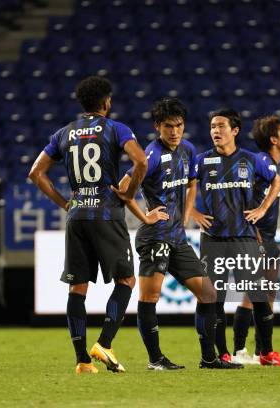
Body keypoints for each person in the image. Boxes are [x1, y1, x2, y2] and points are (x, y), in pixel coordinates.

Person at [28, 76, 147, 374]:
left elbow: (36, 173)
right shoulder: (116, 129)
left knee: (77, 289)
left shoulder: (64, 133)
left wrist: (65, 203)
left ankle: (82, 361)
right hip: (106, 213)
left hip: (77, 214)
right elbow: (141, 162)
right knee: (126, 281)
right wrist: (129, 193)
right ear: (106, 102)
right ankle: (104, 343)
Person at [118, 97, 240, 370]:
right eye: (168, 126)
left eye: (179, 125)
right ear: (157, 127)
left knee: (208, 293)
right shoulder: (149, 155)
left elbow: (192, 183)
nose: (174, 132)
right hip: (154, 237)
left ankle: (208, 358)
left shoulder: (187, 149)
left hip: (177, 239)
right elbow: (123, 189)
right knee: (150, 297)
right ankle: (155, 359)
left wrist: (186, 216)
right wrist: (145, 216)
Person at [191, 109, 280, 366]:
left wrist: (263, 209)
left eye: (221, 126)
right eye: (213, 126)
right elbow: (183, 188)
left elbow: (277, 181)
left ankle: (266, 352)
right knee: (215, 298)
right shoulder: (201, 161)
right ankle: (223, 353)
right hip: (213, 239)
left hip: (245, 238)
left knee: (258, 295)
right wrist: (193, 212)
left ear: (234, 130)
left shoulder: (251, 159)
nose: (216, 131)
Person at [230, 115, 280, 365]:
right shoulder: (259, 162)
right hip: (256, 236)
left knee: (265, 294)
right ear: (274, 139)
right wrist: (251, 227)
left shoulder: (275, 166)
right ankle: (257, 352)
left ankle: (252, 351)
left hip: (267, 236)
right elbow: (239, 196)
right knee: (258, 295)